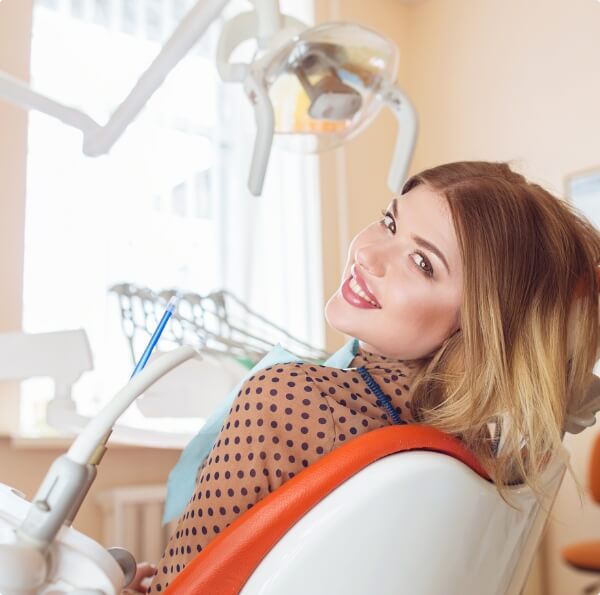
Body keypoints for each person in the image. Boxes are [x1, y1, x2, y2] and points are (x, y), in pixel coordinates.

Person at [142, 161, 600, 593]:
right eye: (389, 222)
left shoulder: (288, 399)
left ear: (479, 327)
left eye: (422, 263)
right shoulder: (482, 451)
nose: (368, 253)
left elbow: (181, 588)